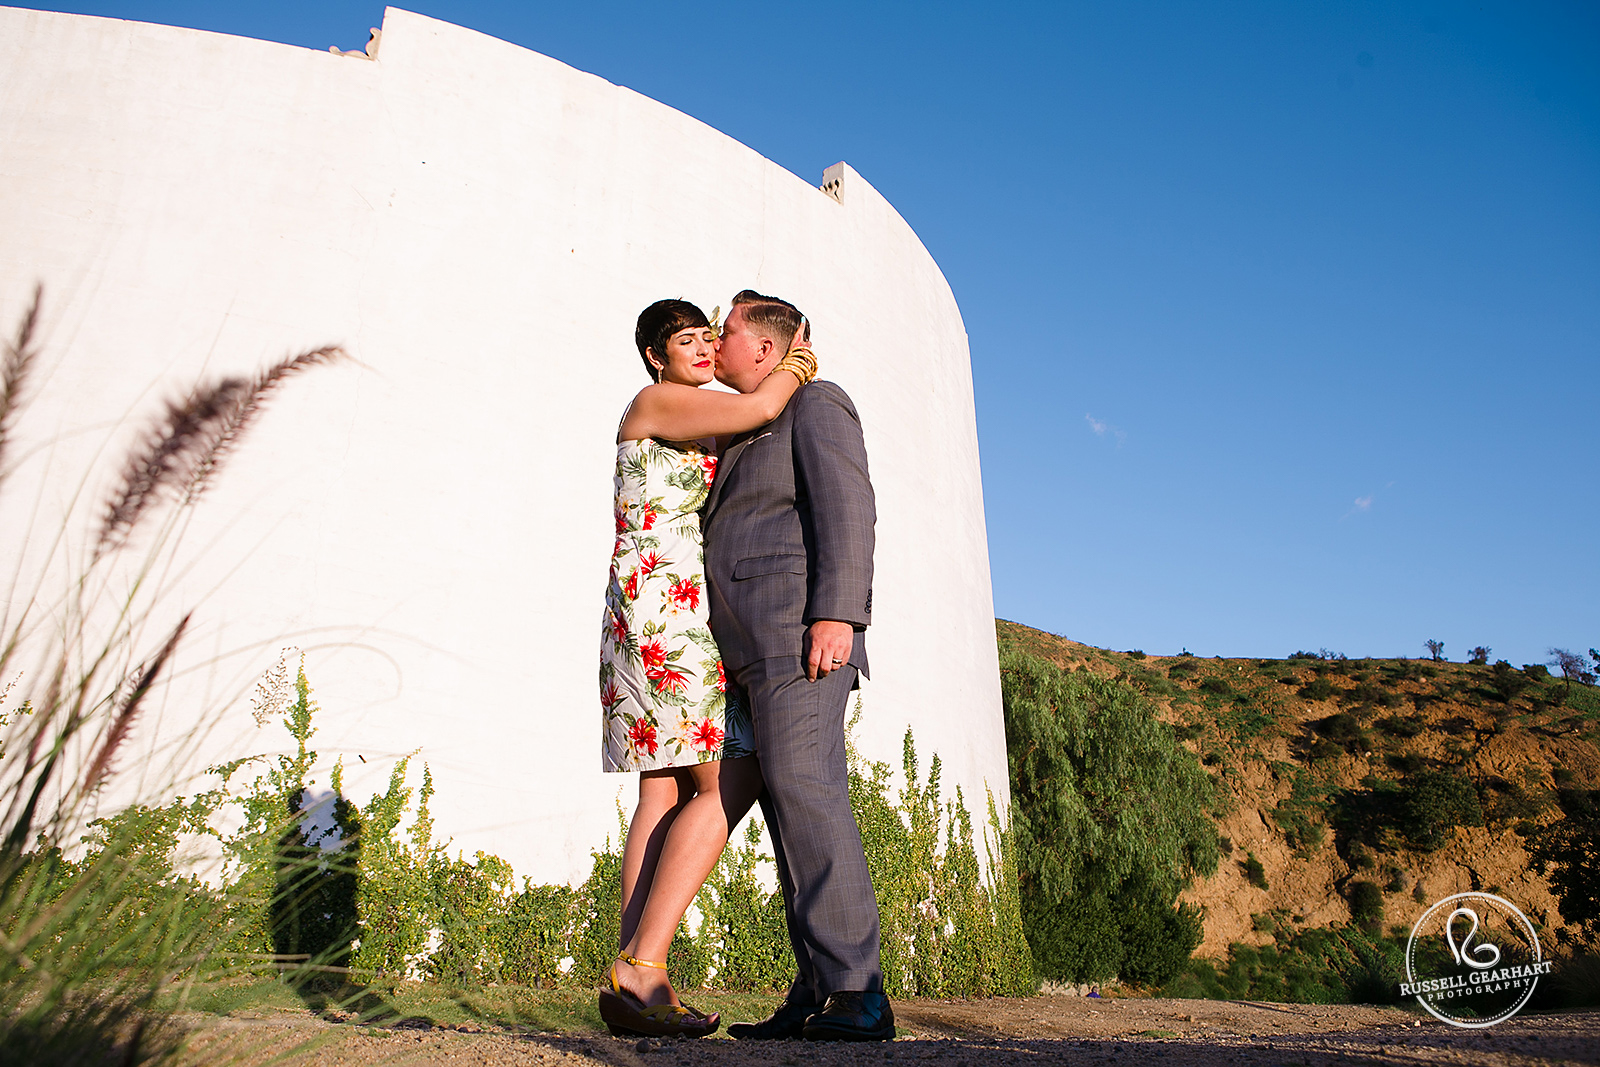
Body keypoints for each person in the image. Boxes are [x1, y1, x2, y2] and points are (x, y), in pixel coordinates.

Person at [598, 298, 817, 1038]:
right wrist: (797, 364)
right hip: (667, 608)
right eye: (685, 340)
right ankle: (644, 962)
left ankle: (635, 981)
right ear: (656, 356)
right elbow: (758, 410)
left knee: (661, 787)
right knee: (733, 776)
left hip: (650, 603)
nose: (699, 347)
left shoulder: (688, 409)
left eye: (706, 336)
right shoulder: (658, 399)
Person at [703, 290, 890, 1041]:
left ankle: (858, 990)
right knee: (788, 812)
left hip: (799, 636)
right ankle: (816, 988)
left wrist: (838, 611)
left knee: (809, 795)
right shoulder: (746, 425)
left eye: (728, 330)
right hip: (753, 652)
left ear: (766, 348)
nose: (716, 341)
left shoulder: (816, 404)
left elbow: (849, 507)